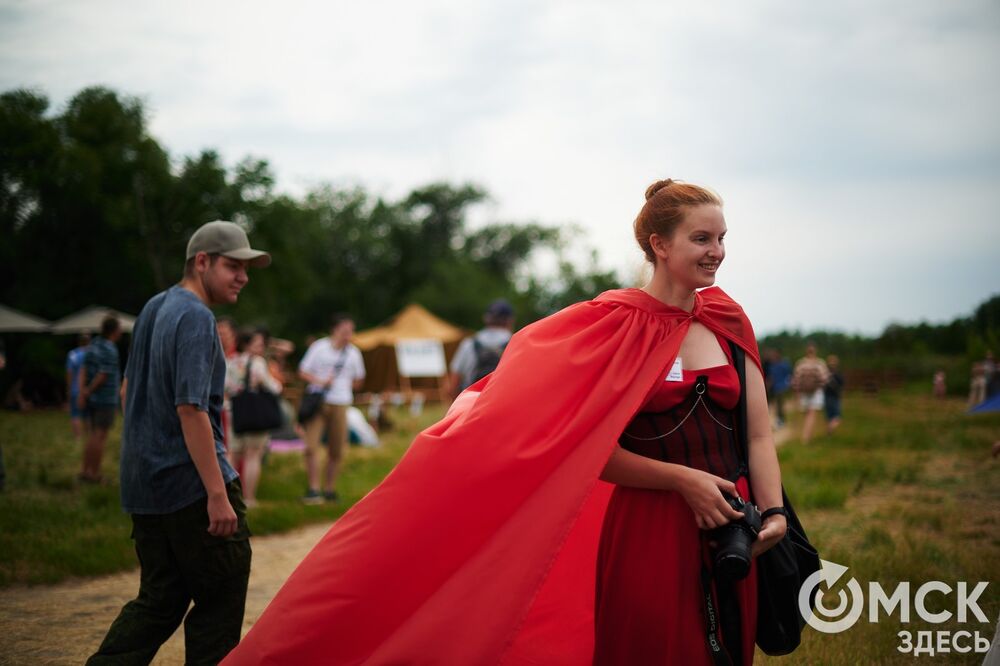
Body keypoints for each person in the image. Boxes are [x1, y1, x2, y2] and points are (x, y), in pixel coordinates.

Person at [222, 179, 786, 666]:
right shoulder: (612, 326)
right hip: (649, 529)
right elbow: (580, 450)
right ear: (659, 245)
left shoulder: (728, 320)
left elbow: (757, 432)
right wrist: (679, 480)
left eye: (721, 239)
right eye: (702, 238)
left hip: (736, 524)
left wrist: (776, 512)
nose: (717, 252)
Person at [88, 220, 269, 665]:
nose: (243, 276)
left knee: (160, 599)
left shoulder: (153, 309)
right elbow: (191, 409)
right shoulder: (195, 317)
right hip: (191, 486)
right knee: (221, 595)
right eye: (232, 266)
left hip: (146, 487)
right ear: (201, 261)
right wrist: (216, 494)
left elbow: (131, 392)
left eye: (246, 267)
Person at [297, 314, 366, 504]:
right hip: (319, 402)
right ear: (334, 330)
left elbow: (359, 380)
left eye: (351, 331)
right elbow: (302, 371)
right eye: (345, 331)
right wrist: (320, 381)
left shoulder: (353, 353)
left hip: (341, 402)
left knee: (337, 449)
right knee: (311, 446)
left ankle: (329, 489)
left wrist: (345, 385)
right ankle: (313, 489)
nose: (348, 335)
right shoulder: (319, 347)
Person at [228, 328, 283, 508]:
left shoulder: (232, 361)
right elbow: (274, 387)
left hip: (234, 413)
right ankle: (249, 498)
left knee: (233, 455)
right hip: (255, 414)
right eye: (257, 344)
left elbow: (224, 388)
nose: (260, 347)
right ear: (247, 344)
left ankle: (230, 496)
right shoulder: (258, 363)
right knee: (253, 455)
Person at [78, 316, 123, 483]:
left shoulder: (92, 346)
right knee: (100, 436)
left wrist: (83, 392)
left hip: (93, 400)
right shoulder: (110, 349)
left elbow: (83, 369)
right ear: (114, 330)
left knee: (91, 436)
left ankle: (85, 471)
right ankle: (94, 474)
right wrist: (89, 391)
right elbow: (103, 375)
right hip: (105, 399)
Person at [448, 299, 515, 398]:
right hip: (504, 402)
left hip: (472, 403)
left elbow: (454, 383)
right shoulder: (515, 343)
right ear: (510, 321)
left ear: (486, 319)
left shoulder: (469, 343)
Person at [792, 342, 830, 444]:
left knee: (807, 414)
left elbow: (795, 380)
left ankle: (806, 435)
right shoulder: (820, 363)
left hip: (804, 392)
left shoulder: (800, 363)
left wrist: (797, 394)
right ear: (815, 351)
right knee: (812, 414)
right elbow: (825, 379)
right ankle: (806, 436)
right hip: (816, 391)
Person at [66, 333, 91, 440]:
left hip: (75, 389)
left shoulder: (72, 354)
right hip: (88, 389)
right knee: (87, 414)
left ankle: (78, 437)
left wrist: (68, 388)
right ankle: (88, 435)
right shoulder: (92, 354)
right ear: (89, 341)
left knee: (75, 413)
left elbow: (69, 373)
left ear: (79, 341)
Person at [763, 348, 792, 427]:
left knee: (779, 404)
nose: (773, 356)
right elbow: (770, 377)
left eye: (774, 354)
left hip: (781, 387)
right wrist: (768, 385)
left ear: (778, 354)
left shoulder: (784, 364)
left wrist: (788, 384)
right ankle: (780, 419)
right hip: (774, 388)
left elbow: (789, 375)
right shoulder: (772, 366)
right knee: (776, 404)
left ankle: (781, 420)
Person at [824, 354, 845, 435]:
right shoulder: (838, 374)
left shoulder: (825, 374)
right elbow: (842, 384)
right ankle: (830, 429)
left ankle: (829, 432)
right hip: (834, 396)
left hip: (827, 396)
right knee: (837, 417)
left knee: (829, 416)